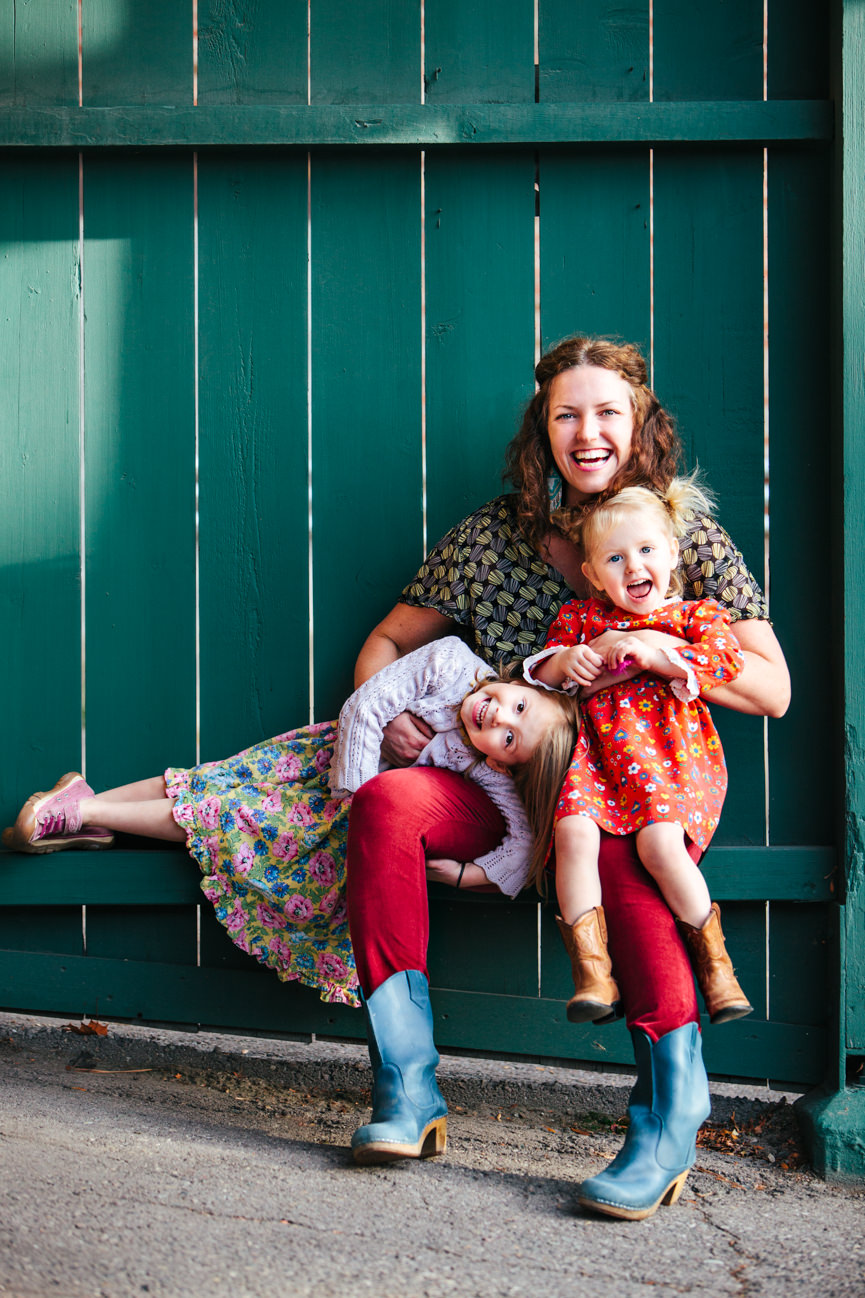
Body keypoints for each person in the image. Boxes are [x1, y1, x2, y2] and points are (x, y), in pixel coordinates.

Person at [345, 334, 790, 1220]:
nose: (587, 432)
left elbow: (772, 686)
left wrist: (659, 652)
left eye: (607, 412)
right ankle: (406, 1087)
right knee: (387, 802)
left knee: (626, 859)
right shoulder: (491, 536)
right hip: (507, 784)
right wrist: (380, 701)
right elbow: (390, 641)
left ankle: (670, 1114)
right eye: (566, 415)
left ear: (639, 425)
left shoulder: (677, 532)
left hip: (641, 780)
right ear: (541, 431)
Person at [3, 636, 579, 1016]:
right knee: (211, 786)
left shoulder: (491, 768)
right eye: (518, 707)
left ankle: (84, 811)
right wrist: (355, 796)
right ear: (526, 683)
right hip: (327, 764)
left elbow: (524, 842)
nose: (500, 719)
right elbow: (367, 707)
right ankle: (87, 808)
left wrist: (469, 875)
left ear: (505, 761)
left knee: (226, 814)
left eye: (509, 739)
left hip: (339, 812)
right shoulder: (451, 663)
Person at [524, 476, 753, 1029]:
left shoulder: (695, 618)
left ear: (672, 552)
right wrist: (566, 664)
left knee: (658, 846)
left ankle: (718, 970)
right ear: (593, 574)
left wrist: (658, 655)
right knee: (572, 833)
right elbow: (543, 671)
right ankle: (592, 971)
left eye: (647, 550)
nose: (633, 567)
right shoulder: (583, 620)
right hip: (598, 762)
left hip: (670, 760)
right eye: (615, 558)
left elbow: (726, 664)